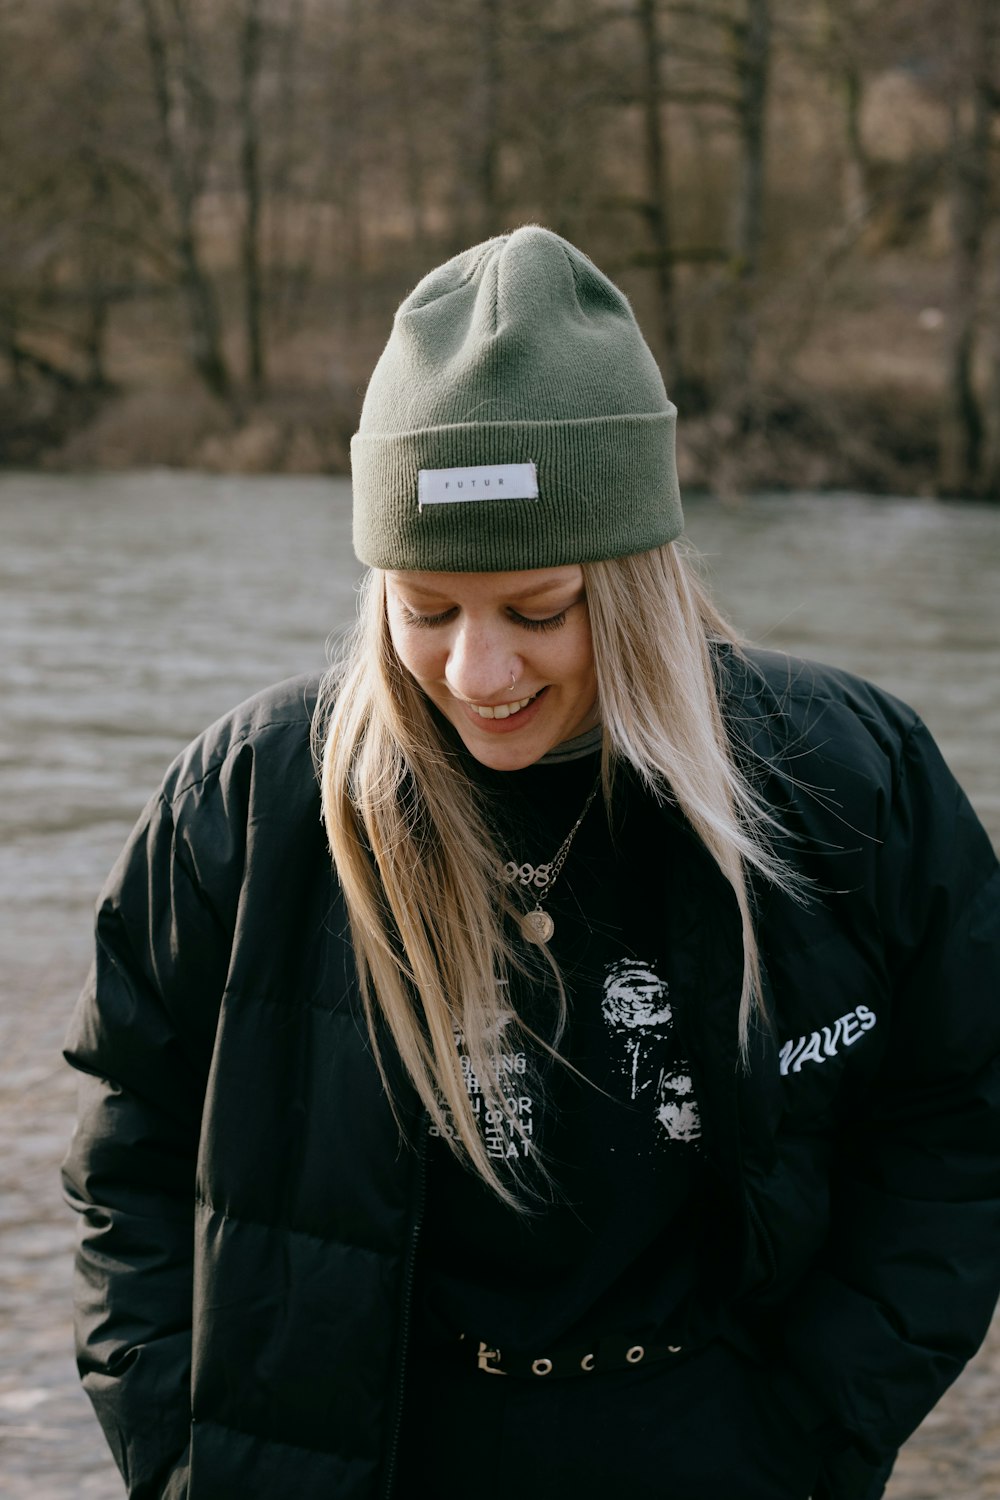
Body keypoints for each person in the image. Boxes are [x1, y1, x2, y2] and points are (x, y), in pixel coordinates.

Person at [62, 226, 1000, 1500]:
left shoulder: (848, 776)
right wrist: (184, 1458)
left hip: (718, 1451)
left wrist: (820, 1425)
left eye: (538, 612)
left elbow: (956, 1117)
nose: (477, 675)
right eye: (427, 609)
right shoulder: (245, 803)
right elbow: (130, 1162)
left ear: (634, 581)